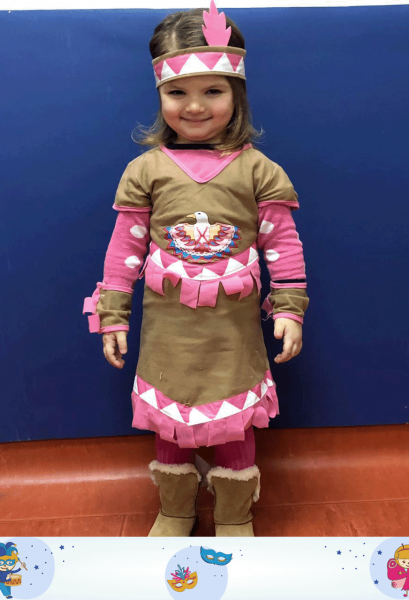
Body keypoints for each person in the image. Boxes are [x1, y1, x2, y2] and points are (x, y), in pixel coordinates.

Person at [83, 0, 309, 537]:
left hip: (232, 335)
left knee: (233, 424)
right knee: (169, 421)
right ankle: (176, 510)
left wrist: (290, 308)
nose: (195, 106)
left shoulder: (260, 171)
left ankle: (234, 514)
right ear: (159, 94)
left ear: (237, 94)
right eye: (177, 93)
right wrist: (112, 315)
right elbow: (124, 251)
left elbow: (282, 245)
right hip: (169, 334)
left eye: (212, 91)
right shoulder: (145, 170)